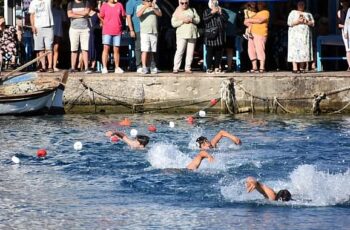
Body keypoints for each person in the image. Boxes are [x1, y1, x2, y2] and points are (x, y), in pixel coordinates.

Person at [171, 0, 200, 74]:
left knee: (190, 52)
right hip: (181, 34)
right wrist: (183, 21)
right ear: (179, 3)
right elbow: (173, 23)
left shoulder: (192, 10)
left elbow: (198, 20)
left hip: (192, 34)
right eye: (182, 3)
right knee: (180, 51)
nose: (184, 4)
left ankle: (188, 67)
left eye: (186, 3)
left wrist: (192, 20)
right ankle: (176, 68)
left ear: (188, 2)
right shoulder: (177, 11)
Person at [287, 0, 314, 74]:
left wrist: (306, 22)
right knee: (294, 50)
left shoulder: (308, 13)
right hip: (295, 36)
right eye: (299, 4)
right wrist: (298, 21)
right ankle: (295, 68)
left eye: (302, 4)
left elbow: (313, 23)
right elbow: (289, 22)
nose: (301, 5)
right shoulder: (293, 12)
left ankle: (302, 67)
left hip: (304, 36)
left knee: (303, 51)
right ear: (297, 5)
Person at [100, 0, 126, 74]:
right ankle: (104, 67)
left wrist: (120, 23)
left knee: (116, 49)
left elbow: (123, 16)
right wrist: (104, 22)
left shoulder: (119, 5)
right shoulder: (104, 5)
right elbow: (101, 15)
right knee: (106, 48)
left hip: (117, 30)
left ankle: (117, 67)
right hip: (107, 30)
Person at [137, 0, 162, 74]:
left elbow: (160, 14)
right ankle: (144, 67)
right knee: (145, 50)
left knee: (152, 51)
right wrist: (146, 6)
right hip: (145, 32)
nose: (149, 1)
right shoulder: (139, 6)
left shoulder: (155, 5)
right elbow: (138, 15)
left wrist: (154, 8)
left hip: (154, 31)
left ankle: (151, 66)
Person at [29, 0, 54, 73]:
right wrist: (33, 26)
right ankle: (43, 66)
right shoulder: (33, 2)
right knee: (40, 49)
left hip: (48, 26)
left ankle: (50, 66)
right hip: (38, 27)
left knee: (49, 47)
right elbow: (32, 15)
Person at [203, 0, 228, 74]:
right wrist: (212, 12)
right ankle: (209, 68)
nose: (214, 4)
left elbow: (225, 19)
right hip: (210, 35)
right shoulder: (207, 11)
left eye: (215, 2)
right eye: (213, 2)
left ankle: (217, 67)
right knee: (209, 52)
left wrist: (220, 12)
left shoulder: (221, 11)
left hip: (220, 36)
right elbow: (205, 19)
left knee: (219, 52)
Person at [244, 2, 270, 73]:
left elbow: (260, 20)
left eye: (261, 3)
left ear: (264, 4)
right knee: (251, 50)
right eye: (258, 4)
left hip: (260, 33)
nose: (259, 5)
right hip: (251, 34)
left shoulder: (265, 12)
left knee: (260, 49)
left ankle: (262, 67)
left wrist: (249, 20)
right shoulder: (255, 13)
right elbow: (245, 22)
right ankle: (254, 67)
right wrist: (248, 21)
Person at [67, 0, 91, 74]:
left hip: (85, 29)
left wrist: (74, 13)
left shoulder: (86, 2)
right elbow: (69, 15)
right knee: (74, 49)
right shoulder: (71, 3)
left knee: (85, 49)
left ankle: (86, 67)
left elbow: (86, 12)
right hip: (74, 29)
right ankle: (73, 67)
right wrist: (82, 14)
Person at [52, 0, 67, 72]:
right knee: (48, 49)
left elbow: (64, 22)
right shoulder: (51, 10)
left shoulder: (61, 11)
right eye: (56, 1)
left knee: (56, 49)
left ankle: (54, 66)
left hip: (58, 31)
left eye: (59, 2)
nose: (57, 3)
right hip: (50, 31)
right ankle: (48, 65)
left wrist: (64, 34)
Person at [222, 3, 238, 72]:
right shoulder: (219, 8)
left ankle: (229, 68)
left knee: (229, 50)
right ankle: (219, 67)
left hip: (231, 33)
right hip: (221, 34)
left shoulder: (235, 9)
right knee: (220, 50)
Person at [340, 0, 350, 71]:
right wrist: (346, 32)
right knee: (348, 49)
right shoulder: (349, 10)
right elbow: (346, 22)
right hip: (348, 31)